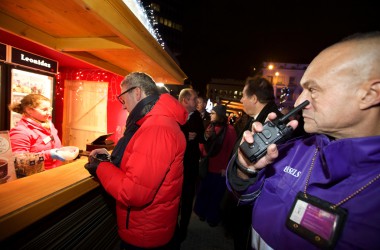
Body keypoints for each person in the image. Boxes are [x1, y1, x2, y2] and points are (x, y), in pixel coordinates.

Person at [227, 31, 380, 249]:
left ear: (370, 94)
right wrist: (245, 168)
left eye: (313, 89)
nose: (300, 101)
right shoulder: (292, 150)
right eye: (302, 89)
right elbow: (243, 194)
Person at [84, 72, 188, 249]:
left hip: (145, 234)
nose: (123, 106)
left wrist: (101, 167)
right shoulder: (156, 123)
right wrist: (110, 160)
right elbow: (139, 168)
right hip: (149, 228)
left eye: (123, 99)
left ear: (137, 92)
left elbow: (133, 193)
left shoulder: (157, 129)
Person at [223, 77, 284, 250]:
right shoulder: (255, 119)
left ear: (254, 98)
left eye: (243, 95)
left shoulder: (272, 126)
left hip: (252, 209)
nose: (241, 100)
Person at [193, 104, 237, 227]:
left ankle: (212, 217)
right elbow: (203, 144)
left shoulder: (230, 130)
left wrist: (226, 167)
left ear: (220, 115)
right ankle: (201, 212)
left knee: (216, 196)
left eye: (213, 113)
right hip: (207, 166)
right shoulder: (210, 126)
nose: (210, 115)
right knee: (204, 191)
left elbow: (231, 150)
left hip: (219, 170)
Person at [9, 94, 67, 169]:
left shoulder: (48, 124)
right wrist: (48, 155)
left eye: (50, 109)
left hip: (55, 171)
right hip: (37, 176)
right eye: (44, 110)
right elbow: (19, 160)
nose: (49, 113)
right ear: (29, 110)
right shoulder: (20, 131)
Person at [177, 88, 205, 242]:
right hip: (175, 167)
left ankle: (183, 230)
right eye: (194, 99)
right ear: (185, 100)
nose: (197, 102)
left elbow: (201, 137)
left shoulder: (197, 118)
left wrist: (203, 136)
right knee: (173, 200)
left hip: (190, 168)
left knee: (187, 199)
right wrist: (183, 136)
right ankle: (172, 228)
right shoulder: (174, 115)